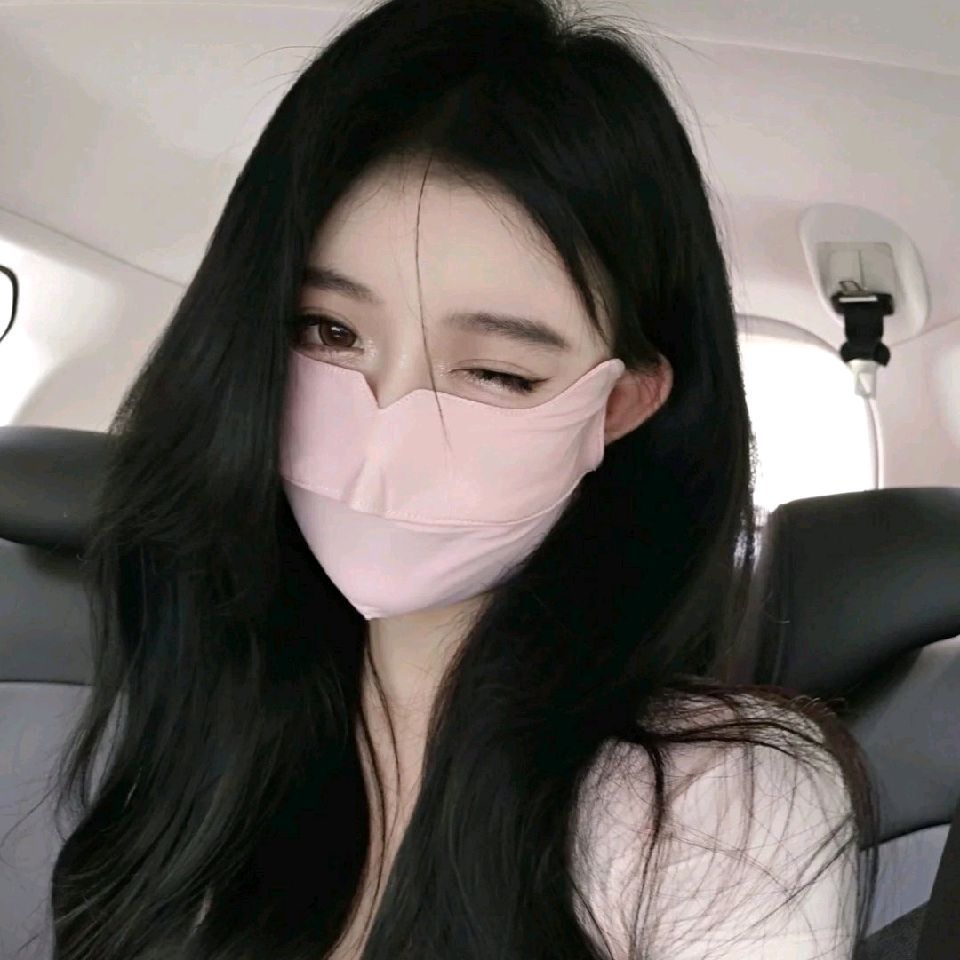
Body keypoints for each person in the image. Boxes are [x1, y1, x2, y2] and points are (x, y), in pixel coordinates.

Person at [41, 1, 879, 958]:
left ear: (619, 406)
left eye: (497, 373)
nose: (385, 442)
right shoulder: (205, 725)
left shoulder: (713, 804)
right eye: (329, 332)